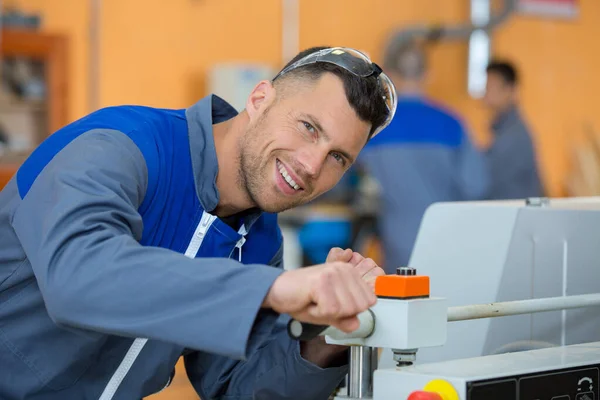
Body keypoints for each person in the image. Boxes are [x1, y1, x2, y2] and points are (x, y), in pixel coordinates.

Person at [0, 46, 395, 399]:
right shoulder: (120, 147)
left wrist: (331, 334)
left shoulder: (259, 241)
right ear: (259, 99)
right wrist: (271, 289)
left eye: (338, 158)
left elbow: (237, 385)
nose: (311, 166)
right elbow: (79, 277)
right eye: (308, 127)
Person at [357, 42, 489, 271]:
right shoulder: (452, 124)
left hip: (397, 247)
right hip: (447, 245)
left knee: (401, 303)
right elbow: (476, 186)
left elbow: (345, 178)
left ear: (390, 75)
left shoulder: (376, 128)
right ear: (427, 74)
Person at [483, 60, 545, 199]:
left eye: (490, 86)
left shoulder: (513, 135)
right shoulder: (502, 130)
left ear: (510, 90)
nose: (485, 92)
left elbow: (482, 180)